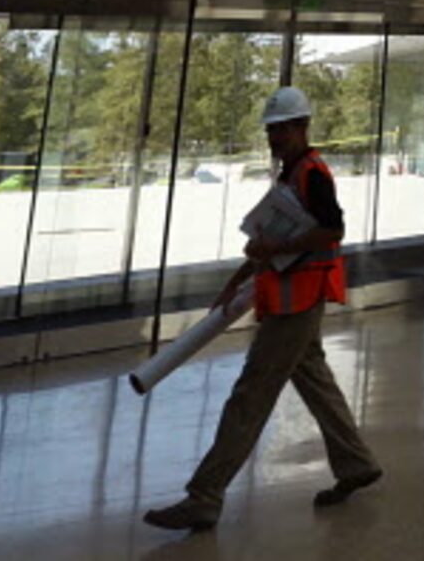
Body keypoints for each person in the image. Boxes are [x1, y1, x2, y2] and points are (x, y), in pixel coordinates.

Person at [143, 84, 383, 532]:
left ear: (303, 127)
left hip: (300, 299)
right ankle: (355, 463)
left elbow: (333, 230)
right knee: (314, 380)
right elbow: (269, 244)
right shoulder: (291, 176)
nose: (275, 138)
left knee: (250, 395)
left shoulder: (311, 174)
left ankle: (205, 496)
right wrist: (236, 280)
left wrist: (281, 245)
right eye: (272, 130)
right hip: (289, 297)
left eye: (284, 129)